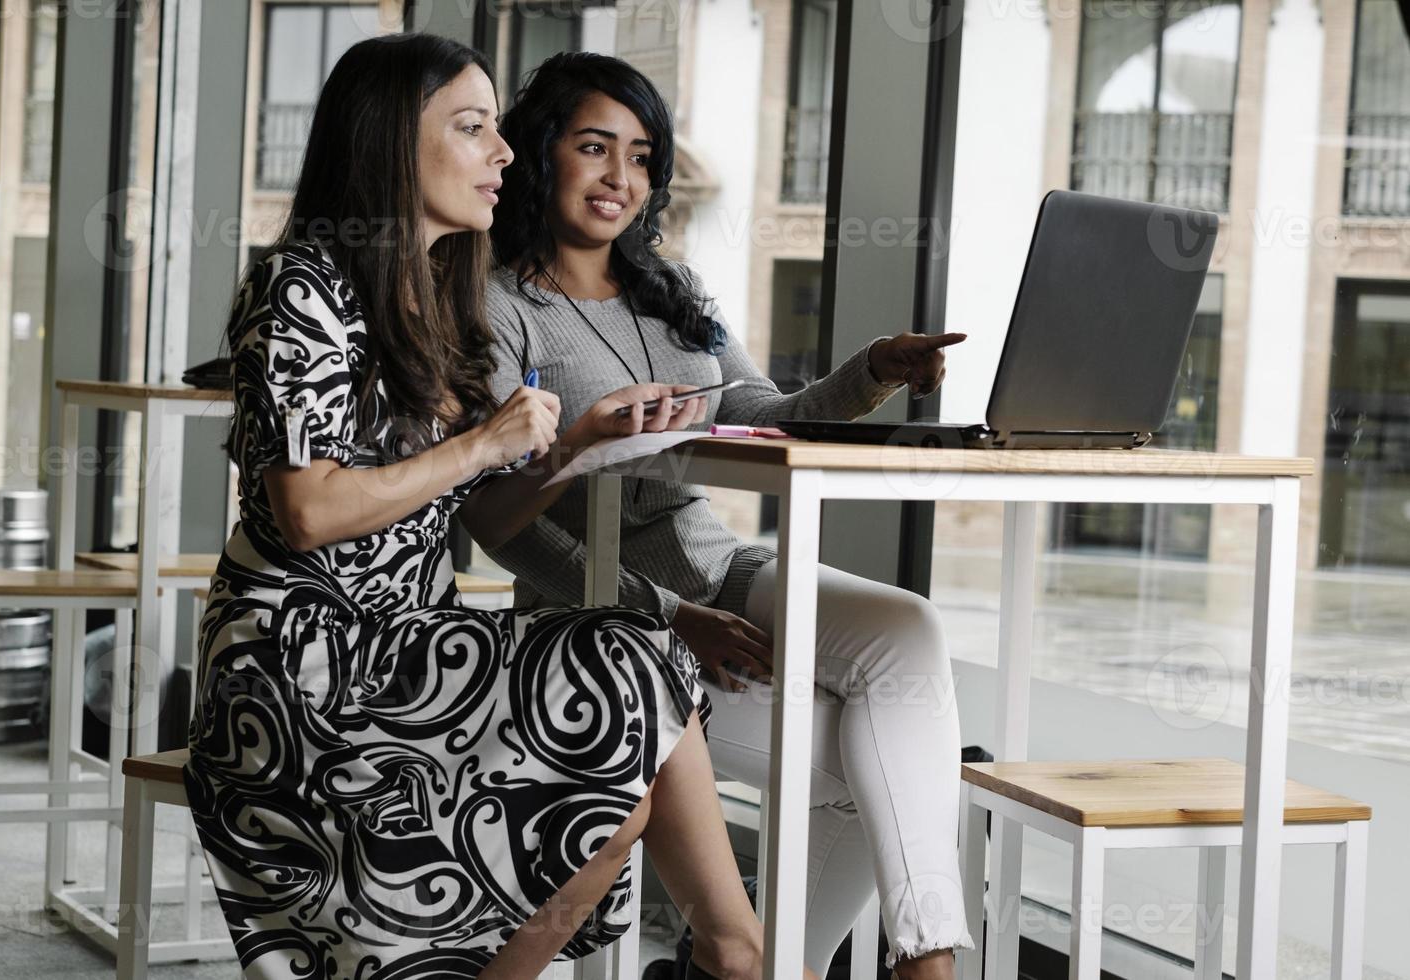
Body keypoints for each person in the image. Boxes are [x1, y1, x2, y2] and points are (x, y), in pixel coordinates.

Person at [184, 34, 813, 980]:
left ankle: (734, 954)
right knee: (629, 680)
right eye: (473, 128)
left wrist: (570, 451)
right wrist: (481, 441)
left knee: (628, 695)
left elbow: (484, 508)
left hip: (405, 635)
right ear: (394, 143)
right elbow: (307, 510)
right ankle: (742, 956)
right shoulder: (302, 286)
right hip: (300, 658)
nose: (505, 152)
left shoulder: (429, 295)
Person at [484, 52, 973, 980]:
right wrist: (662, 616)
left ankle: (924, 957)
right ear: (542, 154)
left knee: (907, 629)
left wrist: (874, 367)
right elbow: (499, 521)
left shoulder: (671, 289)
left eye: (639, 155)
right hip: (597, 625)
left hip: (723, 572)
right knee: (854, 783)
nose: (619, 178)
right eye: (594, 148)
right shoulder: (496, 304)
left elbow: (761, 408)